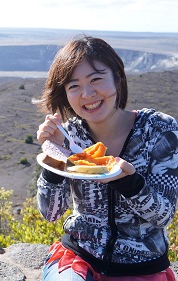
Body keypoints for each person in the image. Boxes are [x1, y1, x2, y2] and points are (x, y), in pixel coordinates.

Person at [35, 35, 178, 280]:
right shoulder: (69, 135)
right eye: (74, 86)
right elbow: (51, 213)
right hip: (78, 257)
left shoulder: (159, 130)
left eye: (96, 79)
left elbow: (163, 215)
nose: (87, 94)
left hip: (140, 266)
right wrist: (53, 155)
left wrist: (129, 182)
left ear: (118, 80)